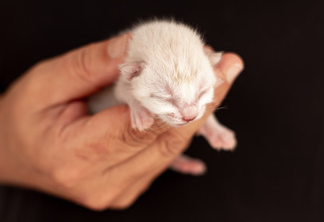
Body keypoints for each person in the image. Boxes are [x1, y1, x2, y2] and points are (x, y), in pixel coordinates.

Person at [0, 33, 243, 210]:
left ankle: (175, 156)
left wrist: (212, 126)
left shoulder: (186, 60)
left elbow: (195, 102)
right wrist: (7, 147)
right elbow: (124, 88)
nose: (189, 115)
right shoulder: (138, 67)